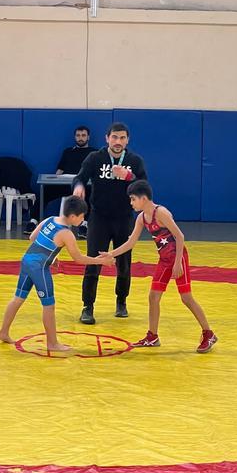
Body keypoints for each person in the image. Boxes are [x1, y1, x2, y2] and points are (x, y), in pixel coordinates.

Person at [105, 180, 217, 353]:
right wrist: (111, 254)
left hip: (178, 257)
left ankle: (208, 333)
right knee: (153, 296)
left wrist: (178, 262)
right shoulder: (142, 218)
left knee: (186, 298)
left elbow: (180, 236)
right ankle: (152, 336)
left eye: (133, 199)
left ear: (143, 198)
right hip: (164, 260)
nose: (131, 203)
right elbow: (131, 242)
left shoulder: (161, 213)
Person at [0, 196, 114, 351]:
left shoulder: (50, 219)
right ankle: (52, 343)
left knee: (18, 298)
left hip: (27, 260)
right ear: (73, 216)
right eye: (82, 216)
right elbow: (78, 259)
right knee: (49, 305)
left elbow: (32, 237)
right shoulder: (66, 233)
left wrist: (51, 254)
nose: (83, 219)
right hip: (38, 268)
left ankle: (3, 332)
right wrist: (101, 261)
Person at [73, 122, 147, 324]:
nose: (118, 142)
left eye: (122, 138)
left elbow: (144, 187)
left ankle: (121, 301)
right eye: (114, 137)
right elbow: (79, 178)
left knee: (124, 263)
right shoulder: (95, 158)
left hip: (124, 218)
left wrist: (129, 176)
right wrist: (78, 187)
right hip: (100, 218)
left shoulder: (134, 161)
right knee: (93, 261)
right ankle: (88, 307)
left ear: (127, 140)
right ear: (107, 138)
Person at [23, 126, 96, 235]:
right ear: (75, 137)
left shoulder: (94, 153)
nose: (80, 138)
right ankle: (33, 221)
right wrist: (54, 180)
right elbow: (60, 170)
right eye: (78, 135)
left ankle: (84, 225)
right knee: (44, 191)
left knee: (91, 194)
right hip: (65, 184)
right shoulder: (68, 151)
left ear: (88, 137)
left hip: (84, 185)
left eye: (83, 135)